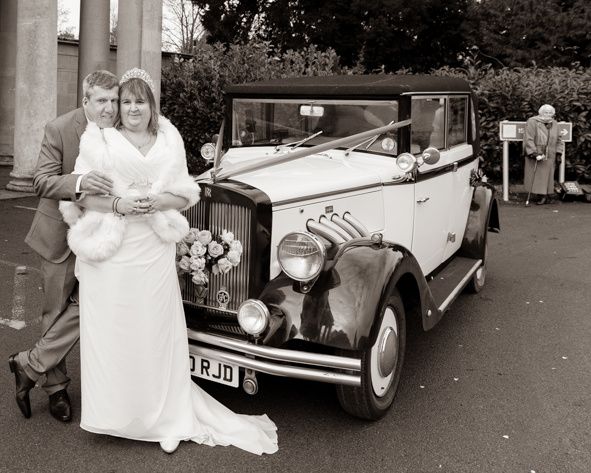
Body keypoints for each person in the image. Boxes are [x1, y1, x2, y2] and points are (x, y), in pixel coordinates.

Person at [59, 68, 278, 455]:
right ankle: (117, 415)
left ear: (151, 105)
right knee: (114, 335)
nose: (131, 108)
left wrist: (161, 201)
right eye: (124, 101)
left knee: (155, 331)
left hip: (153, 249)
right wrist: (118, 204)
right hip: (113, 254)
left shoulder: (168, 139)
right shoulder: (100, 140)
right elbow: (79, 198)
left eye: (139, 101)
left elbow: (187, 192)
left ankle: (165, 417)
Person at [8, 70, 119, 422]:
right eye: (102, 100)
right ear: (85, 100)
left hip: (105, 238)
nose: (109, 108)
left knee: (92, 304)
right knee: (54, 311)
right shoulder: (59, 128)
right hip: (60, 237)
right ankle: (57, 390)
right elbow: (41, 181)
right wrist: (81, 181)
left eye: (114, 100)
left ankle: (28, 364)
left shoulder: (123, 131)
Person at [523, 104, 564, 205]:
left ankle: (545, 195)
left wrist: (559, 153)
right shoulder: (532, 121)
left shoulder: (554, 123)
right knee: (537, 174)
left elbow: (559, 139)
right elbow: (528, 138)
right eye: (546, 112)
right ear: (540, 112)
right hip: (537, 152)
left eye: (550, 113)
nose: (548, 114)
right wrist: (533, 152)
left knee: (548, 175)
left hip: (550, 153)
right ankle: (541, 195)